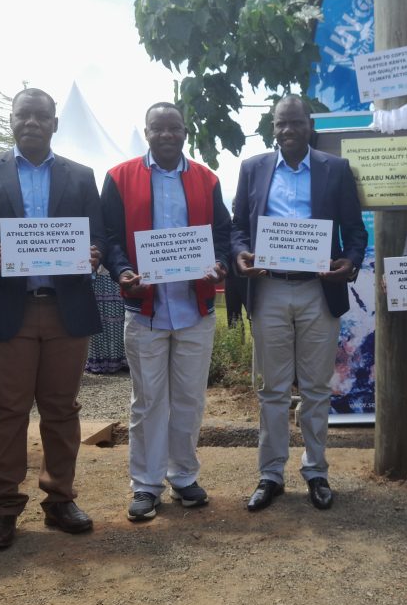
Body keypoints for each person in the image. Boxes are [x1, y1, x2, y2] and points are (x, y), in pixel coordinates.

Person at [0, 87, 105, 550]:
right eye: (24, 115)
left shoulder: (81, 175)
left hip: (65, 309)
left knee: (62, 410)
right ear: (12, 120)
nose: (32, 123)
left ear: (55, 124)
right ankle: (2, 507)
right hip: (9, 310)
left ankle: (60, 499)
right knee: (6, 411)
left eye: (42, 116)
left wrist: (95, 254)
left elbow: (99, 236)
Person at [232, 95, 367, 512]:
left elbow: (355, 232)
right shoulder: (253, 168)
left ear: (310, 125)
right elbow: (238, 228)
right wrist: (240, 253)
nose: (287, 130)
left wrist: (350, 262)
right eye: (280, 124)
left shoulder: (335, 169)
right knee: (272, 389)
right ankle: (271, 474)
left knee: (315, 388)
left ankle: (316, 471)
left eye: (295, 122)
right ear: (272, 128)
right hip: (269, 288)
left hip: (317, 291)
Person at [102, 102, 231, 520]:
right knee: (147, 402)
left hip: (194, 308)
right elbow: (109, 236)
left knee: (190, 399)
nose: (166, 135)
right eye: (158, 128)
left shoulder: (207, 179)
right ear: (146, 132)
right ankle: (146, 484)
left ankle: (184, 476)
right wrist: (122, 270)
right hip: (146, 310)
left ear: (185, 132)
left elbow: (223, 234)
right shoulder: (120, 177)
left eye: (174, 128)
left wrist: (220, 262)